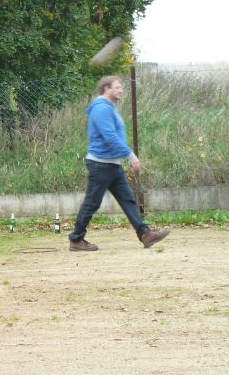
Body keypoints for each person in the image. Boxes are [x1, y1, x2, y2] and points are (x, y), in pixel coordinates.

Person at [68, 75, 170, 252]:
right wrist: (131, 155)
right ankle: (76, 239)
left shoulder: (109, 107)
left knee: (128, 199)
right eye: (117, 87)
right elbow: (110, 136)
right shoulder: (101, 109)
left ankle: (145, 234)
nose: (121, 90)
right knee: (92, 203)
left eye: (121, 87)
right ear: (106, 89)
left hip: (112, 164)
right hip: (100, 164)